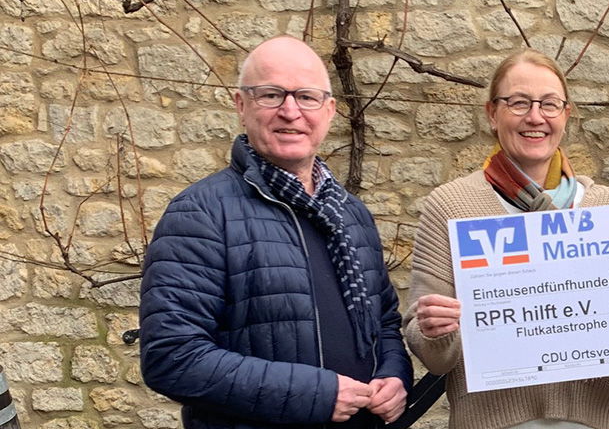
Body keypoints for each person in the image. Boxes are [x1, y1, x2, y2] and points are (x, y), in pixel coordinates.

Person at [139, 36, 413, 429]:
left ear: (329, 110)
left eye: (306, 96)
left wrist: (395, 376)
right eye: (271, 95)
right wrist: (314, 396)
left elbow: (384, 323)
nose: (290, 111)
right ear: (241, 105)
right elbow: (173, 356)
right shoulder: (200, 213)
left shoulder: (352, 214)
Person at [405, 49, 609, 429]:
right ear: (493, 113)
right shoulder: (451, 206)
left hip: (593, 421)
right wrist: (433, 330)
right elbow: (433, 355)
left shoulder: (606, 207)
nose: (535, 117)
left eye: (549, 104)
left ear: (566, 115)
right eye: (519, 103)